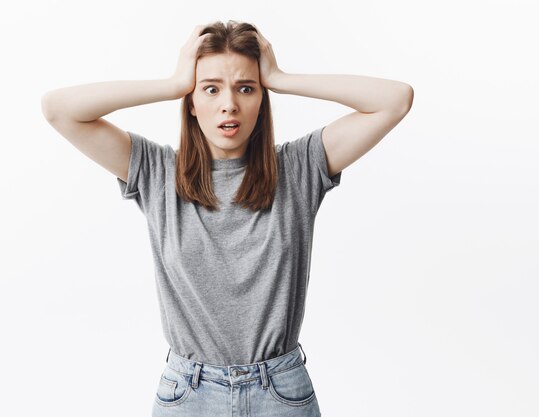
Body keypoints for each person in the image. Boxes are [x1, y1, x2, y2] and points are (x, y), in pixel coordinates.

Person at [41, 20, 413, 417]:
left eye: (246, 88)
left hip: (281, 393)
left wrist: (280, 77)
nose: (229, 104)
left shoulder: (299, 167)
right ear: (192, 101)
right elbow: (59, 110)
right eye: (211, 88)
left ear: (262, 99)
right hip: (188, 394)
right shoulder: (156, 171)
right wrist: (173, 84)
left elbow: (395, 99)